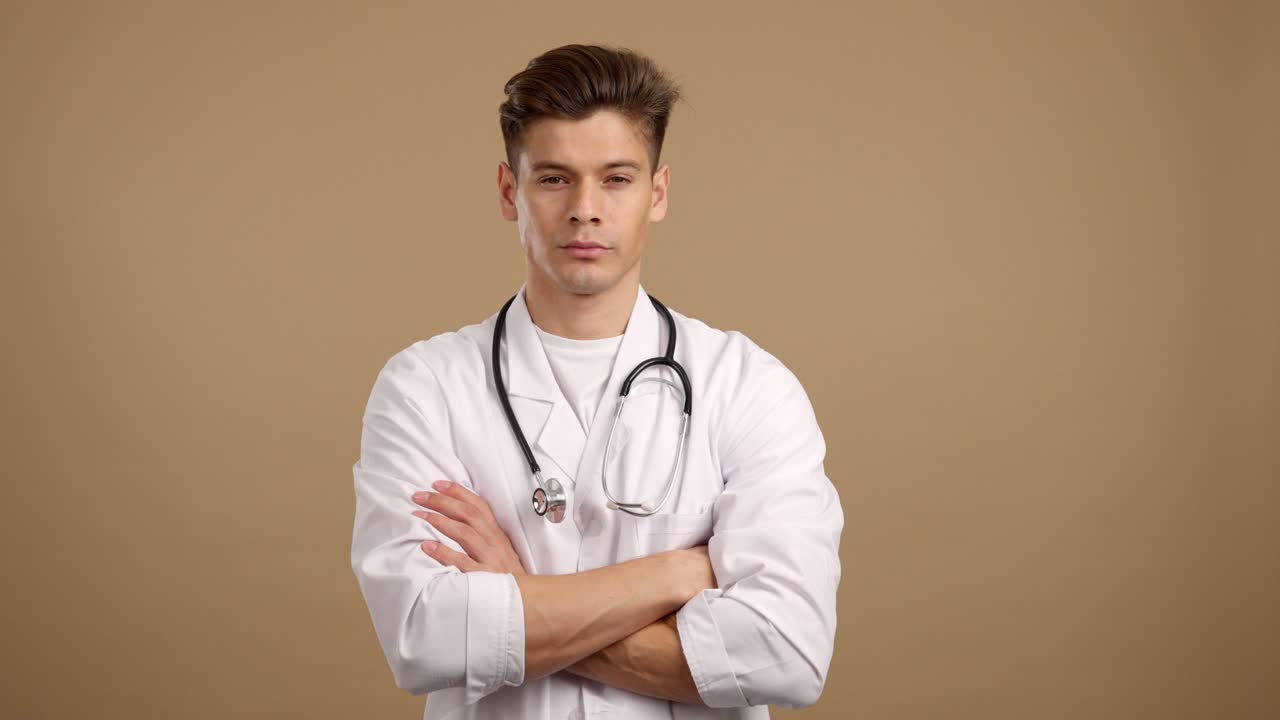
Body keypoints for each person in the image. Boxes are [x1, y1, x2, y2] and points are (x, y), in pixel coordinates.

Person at [350, 43, 844, 720]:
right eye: (554, 179)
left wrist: (518, 593)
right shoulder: (424, 388)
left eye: (616, 179)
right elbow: (424, 639)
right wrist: (676, 573)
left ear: (658, 193)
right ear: (508, 191)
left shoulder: (749, 386)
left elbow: (788, 654)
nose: (586, 208)